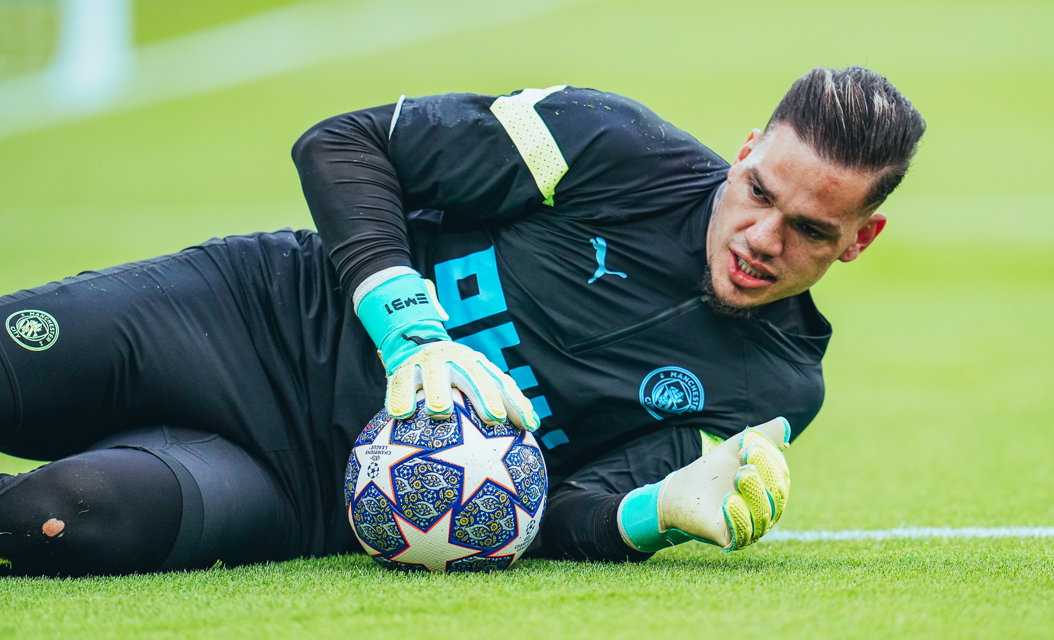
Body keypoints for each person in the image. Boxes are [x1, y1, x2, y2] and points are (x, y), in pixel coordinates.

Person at [0, 66, 925, 576]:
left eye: (808, 230)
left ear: (860, 239)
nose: (761, 238)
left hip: (312, 494)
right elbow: (345, 143)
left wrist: (647, 516)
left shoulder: (773, 391)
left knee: (62, 518)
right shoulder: (606, 143)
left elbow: (558, 514)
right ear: (747, 150)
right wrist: (411, 329)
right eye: (757, 193)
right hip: (254, 316)